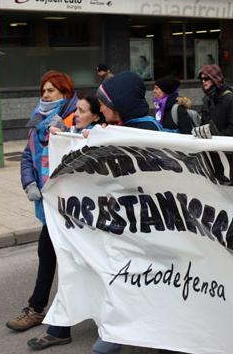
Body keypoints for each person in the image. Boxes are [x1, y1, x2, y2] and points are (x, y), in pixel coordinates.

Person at [92, 71, 161, 354]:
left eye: (104, 104)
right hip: (132, 229)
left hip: (149, 231)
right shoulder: (119, 130)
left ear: (119, 104)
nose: (100, 110)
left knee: (132, 286)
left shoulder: (143, 133)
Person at [8, 71, 78, 350]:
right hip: (48, 205)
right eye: (44, 90)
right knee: (46, 254)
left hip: (72, 208)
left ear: (65, 93)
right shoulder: (37, 120)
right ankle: (38, 310)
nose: (45, 95)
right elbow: (28, 156)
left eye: (51, 91)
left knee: (74, 262)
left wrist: (69, 133)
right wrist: (29, 183)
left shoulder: (74, 118)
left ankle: (59, 318)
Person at [195, 64, 233, 136]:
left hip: (224, 144)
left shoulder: (230, 98)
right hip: (209, 144)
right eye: (201, 79)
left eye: (206, 78)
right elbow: (203, 123)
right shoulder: (207, 99)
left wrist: (217, 136)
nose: (203, 81)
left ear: (215, 79)